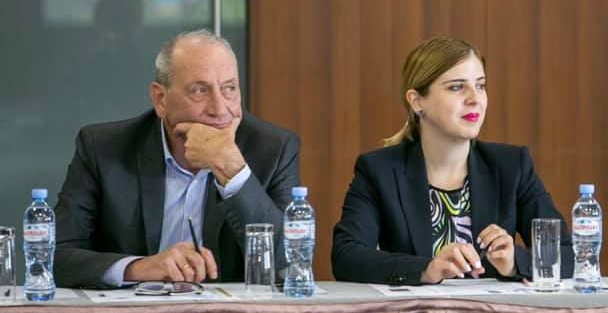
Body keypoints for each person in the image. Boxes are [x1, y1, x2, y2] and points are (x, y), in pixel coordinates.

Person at [54, 30, 300, 288]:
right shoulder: (104, 149)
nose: (219, 109)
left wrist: (231, 170)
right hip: (135, 311)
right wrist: (140, 267)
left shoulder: (273, 149)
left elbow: (291, 264)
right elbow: (55, 256)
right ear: (160, 99)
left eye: (229, 88)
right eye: (199, 90)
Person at [332, 38, 573, 285]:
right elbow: (345, 256)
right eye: (457, 87)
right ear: (417, 101)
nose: (475, 99)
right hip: (418, 310)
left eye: (480, 86)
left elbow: (568, 255)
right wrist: (426, 269)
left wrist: (515, 263)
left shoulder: (512, 166)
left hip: (492, 311)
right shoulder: (379, 170)